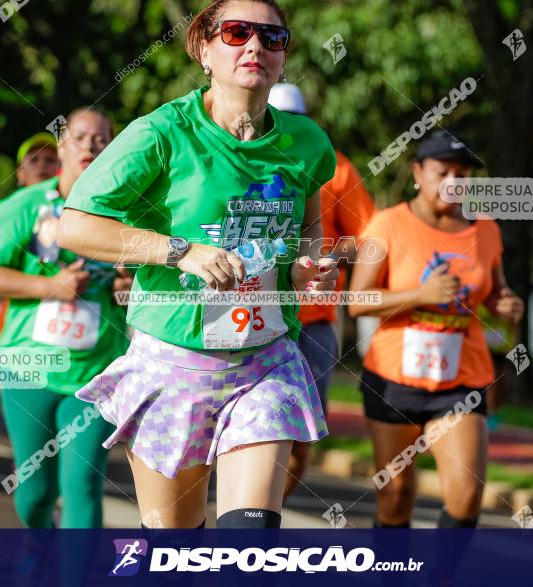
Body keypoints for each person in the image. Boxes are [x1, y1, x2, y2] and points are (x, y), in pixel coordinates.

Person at [57, 0, 338, 529]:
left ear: (283, 57)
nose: (255, 46)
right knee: (175, 548)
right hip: (173, 364)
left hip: (264, 363)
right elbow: (76, 225)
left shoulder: (307, 143)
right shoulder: (161, 133)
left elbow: (307, 228)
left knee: (247, 539)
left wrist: (305, 268)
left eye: (272, 37)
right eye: (236, 33)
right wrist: (180, 252)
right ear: (204, 49)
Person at [348, 131, 524, 529]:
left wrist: (505, 303)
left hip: (462, 379)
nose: (453, 183)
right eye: (442, 171)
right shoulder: (387, 224)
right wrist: (421, 294)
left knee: (465, 499)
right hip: (394, 379)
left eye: (462, 175)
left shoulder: (486, 231)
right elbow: (358, 301)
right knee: (396, 497)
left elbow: (495, 292)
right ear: (417, 173)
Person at [0, 107, 132, 529]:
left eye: (101, 140)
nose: (90, 147)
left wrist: (130, 286)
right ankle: (37, 550)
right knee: (35, 493)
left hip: (97, 371)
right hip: (30, 367)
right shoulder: (25, 207)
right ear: (62, 146)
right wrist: (50, 287)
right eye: (80, 138)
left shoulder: (129, 212)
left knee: (81, 483)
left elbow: (149, 283)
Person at [266, 82, 377, 499]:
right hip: (247, 315)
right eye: (278, 117)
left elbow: (367, 236)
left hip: (313, 319)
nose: (287, 127)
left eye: (297, 118)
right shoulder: (234, 159)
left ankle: (265, 507)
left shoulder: (335, 167)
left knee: (301, 432)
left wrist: (322, 251)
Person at [0, 133, 62, 345]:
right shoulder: (10, 211)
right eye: (34, 159)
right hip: (18, 337)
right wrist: (53, 287)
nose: (42, 166)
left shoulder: (77, 210)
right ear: (20, 173)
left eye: (50, 160)